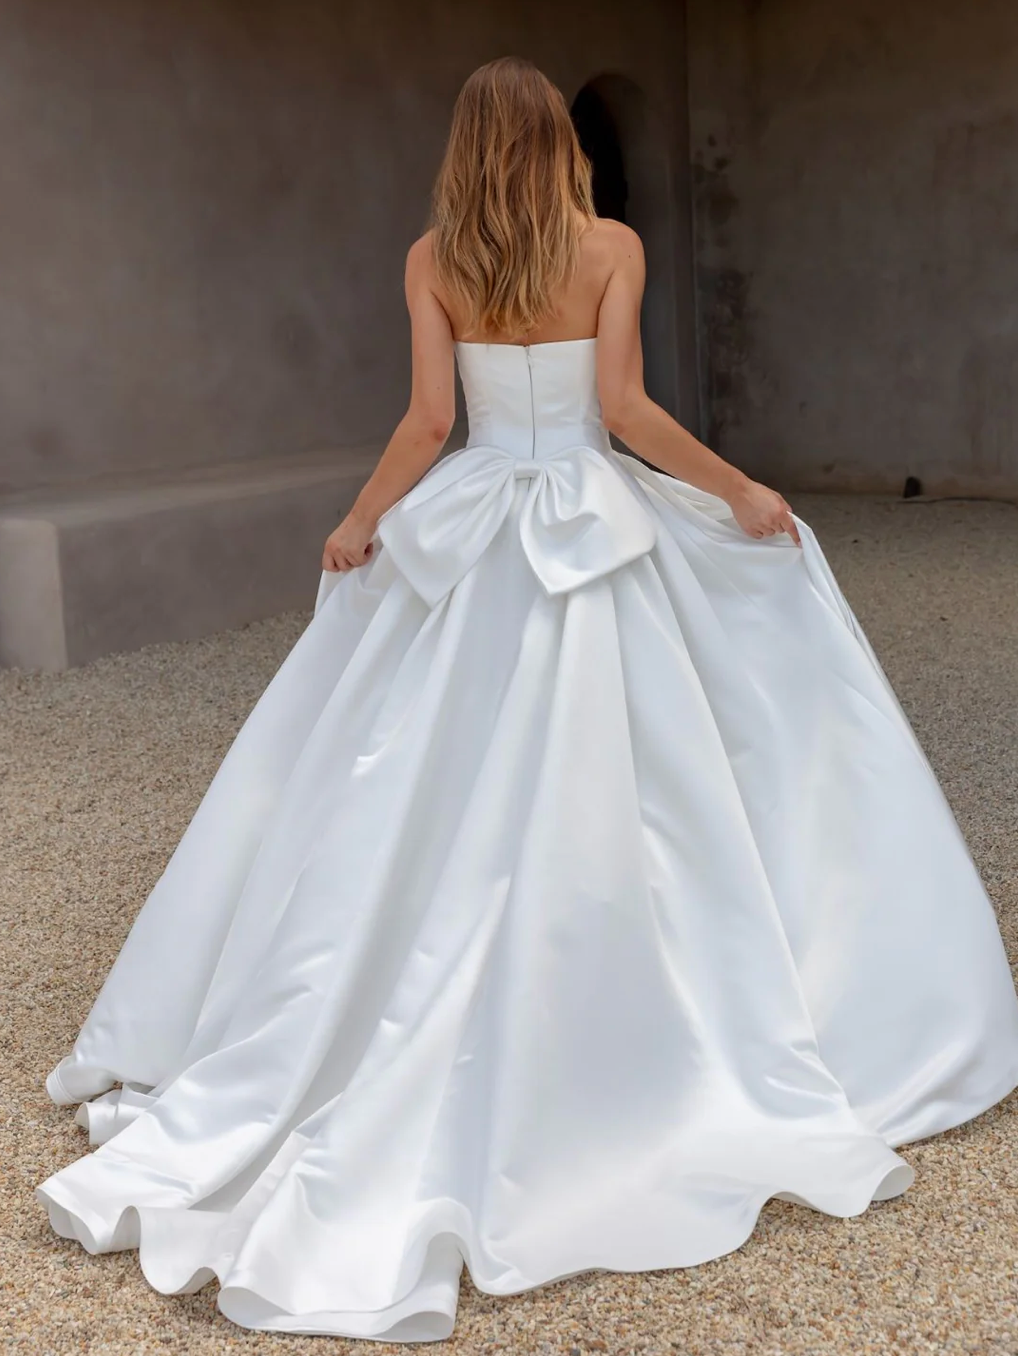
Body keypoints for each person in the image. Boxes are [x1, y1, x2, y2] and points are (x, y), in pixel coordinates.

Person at [37, 57, 1018, 1344]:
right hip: (590, 528)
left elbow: (430, 422)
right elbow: (618, 412)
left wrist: (360, 520)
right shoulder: (607, 244)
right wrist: (737, 490)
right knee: (656, 771)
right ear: (560, 141)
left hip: (473, 528)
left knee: (406, 774)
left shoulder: (432, 256)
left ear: (463, 148)